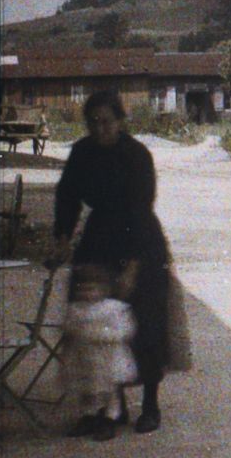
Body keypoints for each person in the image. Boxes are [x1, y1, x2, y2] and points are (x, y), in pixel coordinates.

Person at [51, 91, 173, 433]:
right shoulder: (81, 152)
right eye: (93, 123)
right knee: (95, 325)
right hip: (99, 241)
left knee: (143, 324)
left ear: (120, 121)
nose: (100, 128)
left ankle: (150, 406)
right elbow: (67, 195)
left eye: (106, 121)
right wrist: (62, 236)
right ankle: (108, 408)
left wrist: (132, 267)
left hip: (140, 242)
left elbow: (140, 207)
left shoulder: (136, 155)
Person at [60, 266, 137, 439]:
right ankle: (88, 416)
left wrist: (101, 334)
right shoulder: (75, 309)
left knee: (109, 390)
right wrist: (73, 330)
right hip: (83, 356)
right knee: (86, 390)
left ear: (104, 290)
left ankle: (109, 419)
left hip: (107, 357)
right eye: (81, 289)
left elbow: (125, 331)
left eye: (91, 289)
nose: (86, 293)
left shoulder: (114, 309)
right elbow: (68, 327)